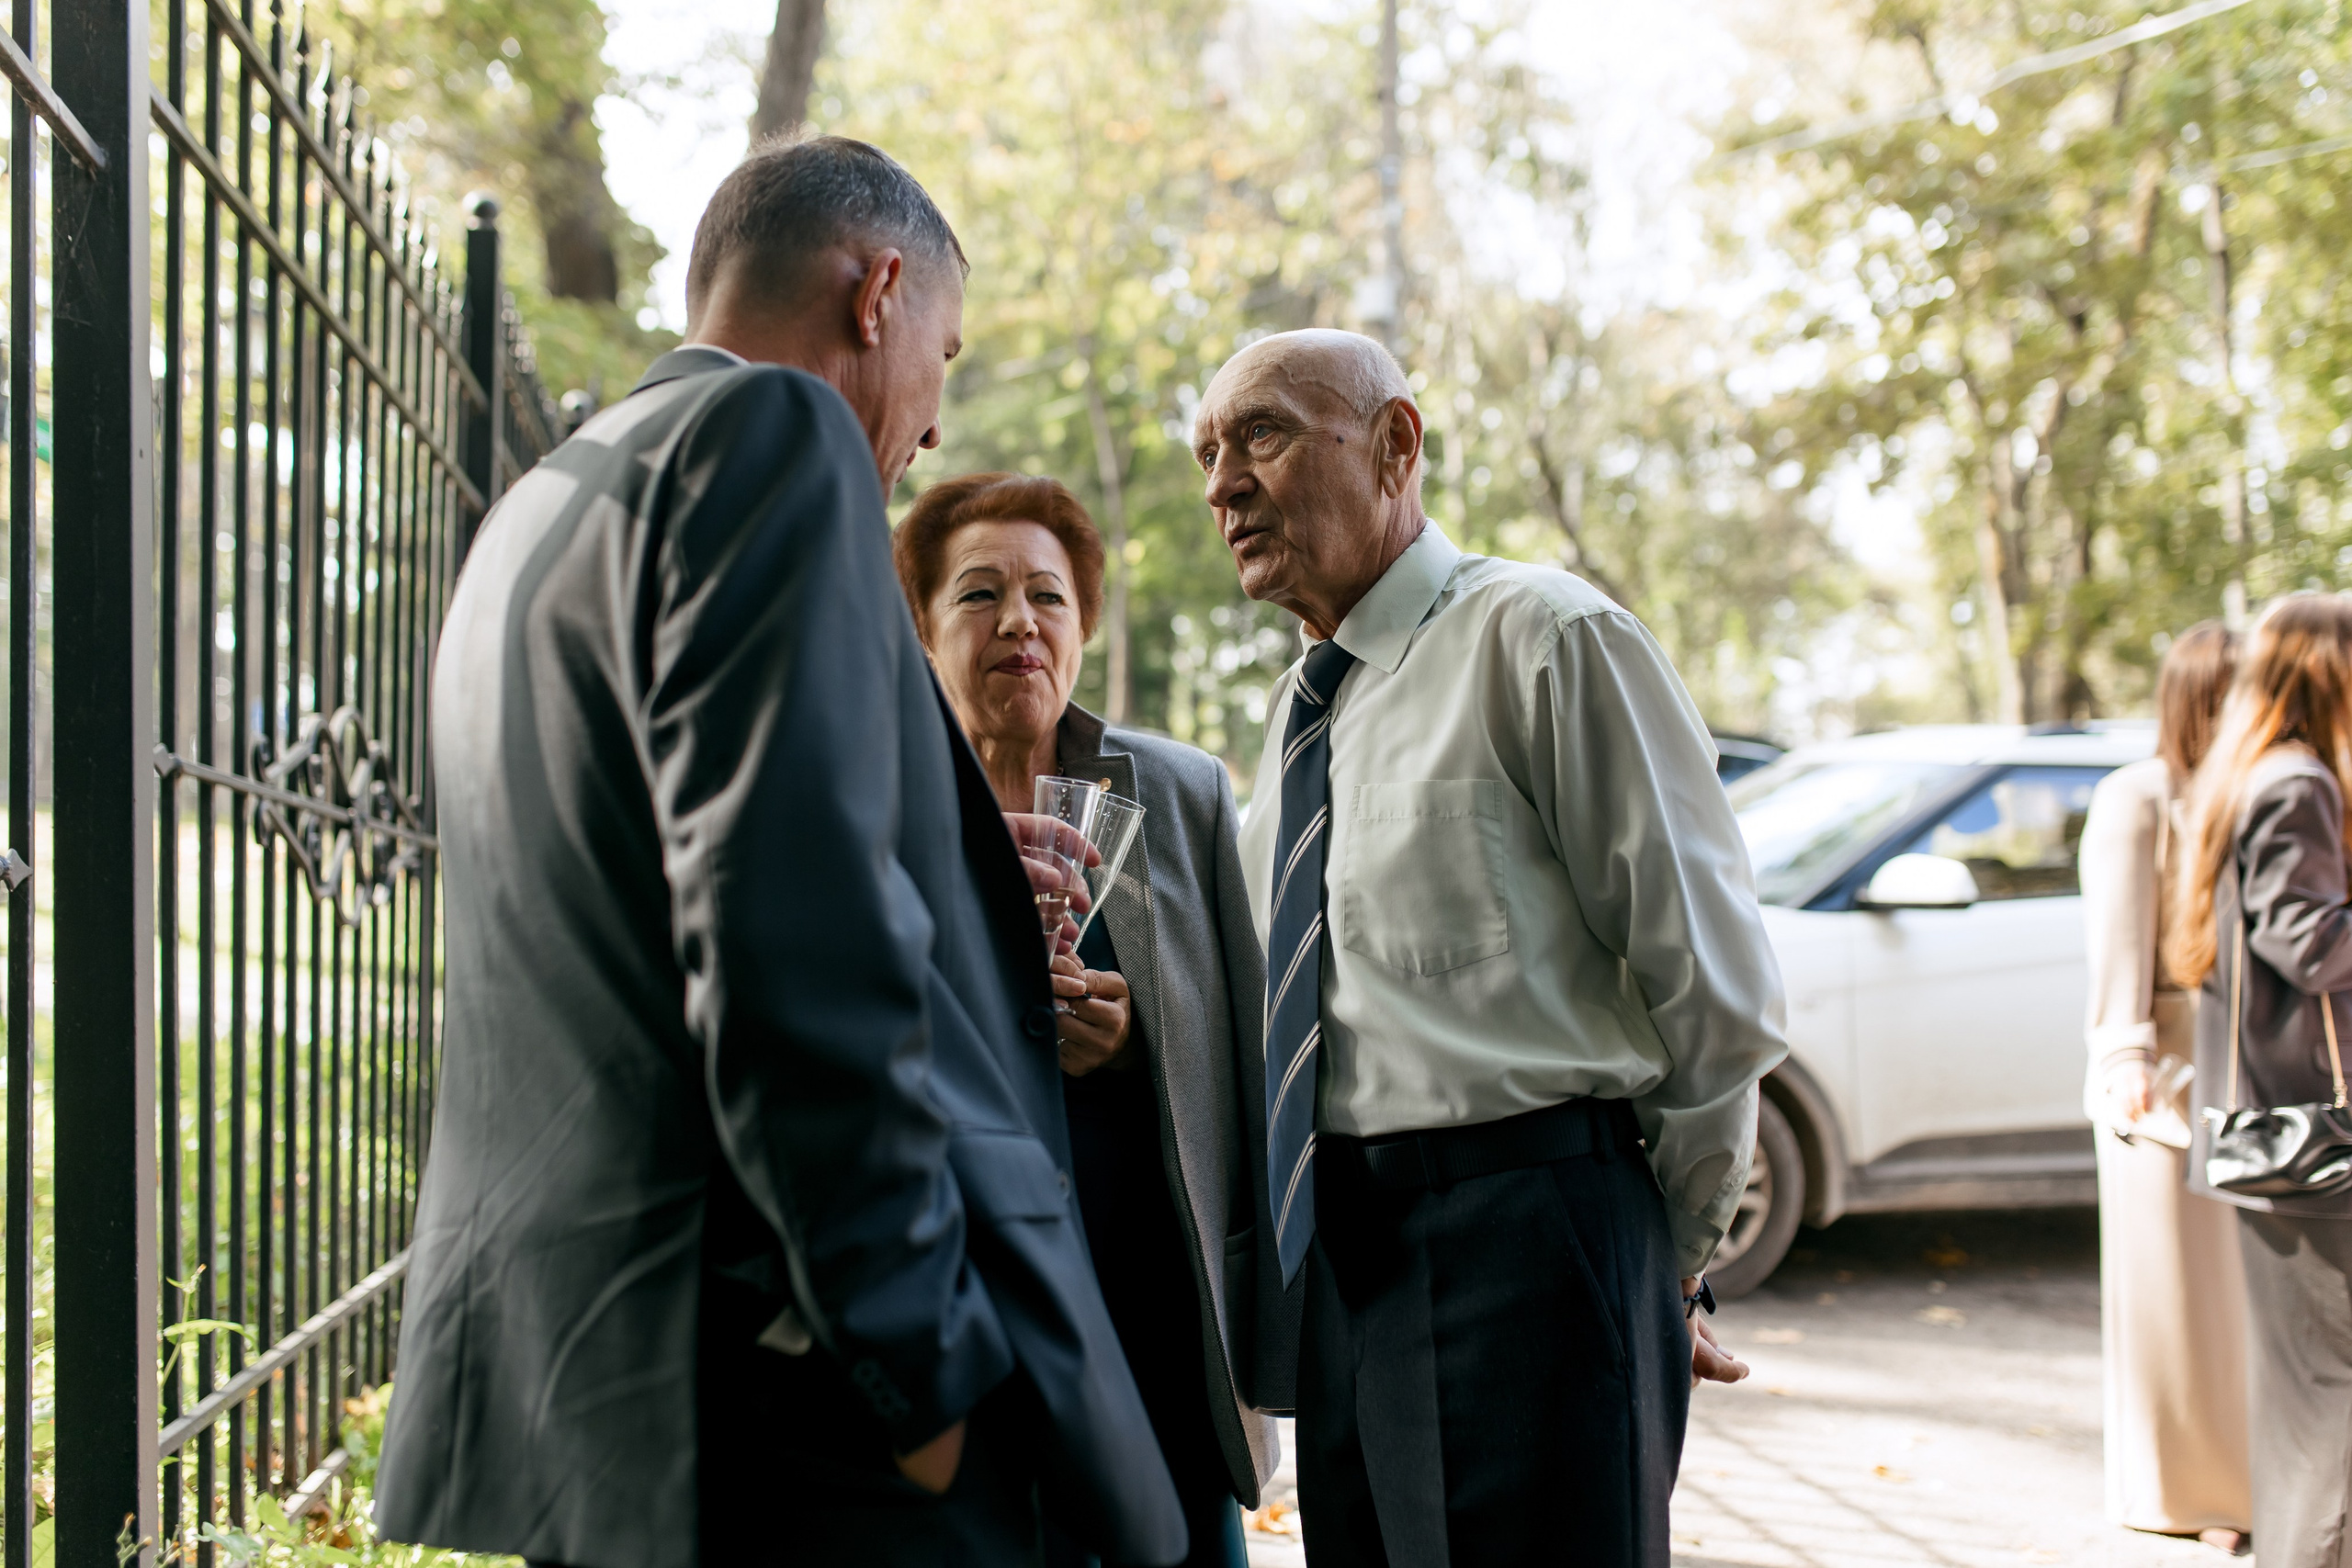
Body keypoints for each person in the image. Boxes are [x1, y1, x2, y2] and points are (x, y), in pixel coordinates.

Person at [373, 139, 1184, 1568]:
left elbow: (646, 870)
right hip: (792, 1402)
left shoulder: (539, 505)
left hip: (585, 1390)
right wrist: (918, 1366)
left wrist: (947, 863)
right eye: (942, 352)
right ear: (877, 293)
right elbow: (788, 936)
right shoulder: (774, 434)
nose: (931, 424)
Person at [1192, 328, 1784, 1568]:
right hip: (1341, 1273)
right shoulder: (1304, 710)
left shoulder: (1546, 637)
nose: (1224, 485)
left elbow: (1712, 991)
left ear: (1396, 444)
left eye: (1263, 435)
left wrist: (1658, 1269)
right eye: (1208, 455)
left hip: (1531, 1249)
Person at [894, 471, 1288, 1568]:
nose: (1018, 621)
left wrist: (1130, 1050)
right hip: (960, 1300)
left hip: (1143, 1302)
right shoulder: (879, 800)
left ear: (1082, 626)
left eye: (1048, 596)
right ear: (921, 626)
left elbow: (1239, 1045)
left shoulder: (1179, 792)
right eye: (978, 593)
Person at [2167, 591, 2352, 1568]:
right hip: (2310, 1136)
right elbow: (2308, 942)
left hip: (2274, 1129)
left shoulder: (2250, 773)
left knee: (2305, 1397)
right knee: (2331, 1397)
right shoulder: (2298, 782)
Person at [2079, 621, 2251, 1551]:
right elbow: (2117, 947)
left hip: (2243, 1074)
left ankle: (2245, 1483)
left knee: (2235, 1300)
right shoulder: (2137, 796)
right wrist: (2124, 1060)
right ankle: (2185, 1495)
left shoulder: (2251, 792)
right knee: (2174, 1301)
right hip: (2163, 1081)